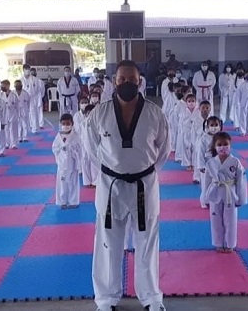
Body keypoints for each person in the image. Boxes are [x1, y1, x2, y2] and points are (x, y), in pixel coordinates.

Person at [85, 60, 170, 311]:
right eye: (122, 79)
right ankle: (106, 299)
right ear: (114, 81)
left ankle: (152, 298)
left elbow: (164, 150)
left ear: (139, 81)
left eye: (132, 80)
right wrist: (113, 169)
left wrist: (146, 171)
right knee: (108, 243)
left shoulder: (155, 113)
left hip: (145, 184)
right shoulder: (99, 113)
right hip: (111, 185)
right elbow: (92, 149)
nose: (127, 84)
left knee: (147, 243)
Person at [203, 132, 248, 253]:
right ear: (215, 147)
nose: (223, 147)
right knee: (215, 220)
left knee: (231, 220)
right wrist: (205, 199)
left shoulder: (235, 162)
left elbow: (241, 181)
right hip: (214, 192)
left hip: (230, 193)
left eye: (225, 144)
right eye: (219, 144)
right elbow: (206, 182)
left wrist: (241, 198)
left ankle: (230, 244)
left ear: (230, 145)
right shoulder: (210, 162)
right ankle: (218, 243)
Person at [52, 114, 81, 209]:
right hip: (62, 165)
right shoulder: (58, 136)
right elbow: (54, 148)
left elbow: (80, 149)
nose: (66, 125)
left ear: (72, 124)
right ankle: (62, 201)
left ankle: (73, 201)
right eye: (63, 123)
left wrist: (72, 150)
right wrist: (61, 148)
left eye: (68, 123)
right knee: (62, 184)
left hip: (72, 163)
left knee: (73, 183)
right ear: (60, 124)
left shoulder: (76, 135)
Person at [195, 116, 222, 208]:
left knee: (217, 182)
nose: (214, 127)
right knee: (206, 183)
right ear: (207, 126)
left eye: (216, 125)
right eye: (212, 125)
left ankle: (216, 199)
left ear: (220, 126)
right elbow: (200, 153)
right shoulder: (204, 138)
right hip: (207, 163)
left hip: (218, 163)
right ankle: (205, 201)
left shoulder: (221, 137)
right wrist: (201, 165)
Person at [191, 100, 212, 184]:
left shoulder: (212, 119)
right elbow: (193, 133)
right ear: (199, 109)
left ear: (210, 109)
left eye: (207, 108)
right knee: (197, 160)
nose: (205, 110)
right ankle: (196, 177)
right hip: (198, 142)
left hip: (209, 143)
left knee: (209, 160)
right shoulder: (196, 120)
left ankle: (209, 175)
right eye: (203, 108)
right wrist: (194, 144)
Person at [177, 94, 199, 171]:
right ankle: (187, 164)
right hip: (186, 131)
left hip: (195, 132)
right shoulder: (184, 110)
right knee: (186, 147)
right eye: (189, 101)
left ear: (196, 102)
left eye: (193, 101)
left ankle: (193, 164)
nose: (191, 103)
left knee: (195, 148)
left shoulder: (198, 110)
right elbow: (181, 121)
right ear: (186, 102)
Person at [21, 65, 42, 134]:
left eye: (28, 69)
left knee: (34, 113)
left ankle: (35, 128)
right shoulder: (21, 80)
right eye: (26, 69)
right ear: (23, 70)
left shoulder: (35, 79)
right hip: (23, 98)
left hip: (33, 98)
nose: (27, 70)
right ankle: (25, 128)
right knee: (24, 114)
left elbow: (38, 89)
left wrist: (35, 96)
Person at [0, 80, 20, 149]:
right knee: (5, 130)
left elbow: (17, 106)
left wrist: (17, 115)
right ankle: (6, 143)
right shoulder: (0, 95)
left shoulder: (14, 96)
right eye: (1, 86)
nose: (2, 87)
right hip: (3, 115)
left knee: (13, 130)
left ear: (8, 86)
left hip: (13, 115)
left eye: (3, 86)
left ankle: (14, 144)